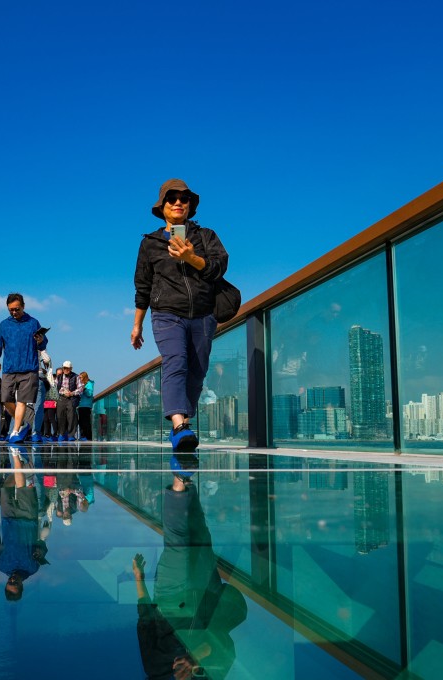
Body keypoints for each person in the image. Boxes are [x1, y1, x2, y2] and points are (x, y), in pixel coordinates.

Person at [132, 179, 229, 453]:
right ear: (162, 206)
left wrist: (192, 258)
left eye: (184, 199)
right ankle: (178, 425)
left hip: (203, 314)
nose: (178, 203)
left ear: (190, 206)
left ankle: (183, 425)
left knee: (197, 371)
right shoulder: (150, 244)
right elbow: (143, 286)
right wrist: (137, 325)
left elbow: (219, 266)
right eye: (171, 198)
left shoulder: (205, 236)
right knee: (176, 362)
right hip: (166, 314)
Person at [131, 467, 247, 679]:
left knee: (178, 544)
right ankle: (185, 480)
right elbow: (226, 647)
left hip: (170, 597)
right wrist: (197, 658)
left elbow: (145, 623)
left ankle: (179, 479)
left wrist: (139, 579)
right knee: (200, 533)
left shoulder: (155, 670)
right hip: (205, 594)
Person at [0, 448, 49, 600]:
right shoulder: (32, 568)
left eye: (10, 582)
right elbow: (42, 544)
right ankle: (15, 456)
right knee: (21, 488)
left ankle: (21, 466)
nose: (13, 580)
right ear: (21, 586)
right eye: (15, 584)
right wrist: (41, 551)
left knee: (7, 486)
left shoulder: (2, 566)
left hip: (8, 518)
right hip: (28, 518)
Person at [0, 293, 47, 444]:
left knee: (22, 401)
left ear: (23, 306)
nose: (14, 312)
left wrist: (40, 341)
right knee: (5, 400)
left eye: (17, 309)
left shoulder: (33, 323)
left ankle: (15, 431)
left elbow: (43, 344)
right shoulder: (4, 325)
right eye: (11, 310)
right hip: (9, 368)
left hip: (29, 368)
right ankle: (24, 424)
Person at [55, 361, 81, 441]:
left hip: (71, 398)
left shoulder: (76, 376)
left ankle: (71, 435)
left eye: (67, 368)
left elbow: (80, 389)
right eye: (64, 368)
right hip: (61, 398)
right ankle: (62, 434)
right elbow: (55, 388)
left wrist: (72, 393)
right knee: (60, 416)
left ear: (71, 368)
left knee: (71, 417)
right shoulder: (59, 377)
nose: (66, 370)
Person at [32, 346, 52, 443]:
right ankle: (35, 433)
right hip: (37, 375)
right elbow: (47, 359)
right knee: (38, 407)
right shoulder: (38, 345)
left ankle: (14, 431)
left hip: (22, 376)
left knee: (21, 404)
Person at [77, 371, 95, 441]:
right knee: (81, 421)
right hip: (80, 406)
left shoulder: (89, 384)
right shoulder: (81, 384)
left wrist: (84, 389)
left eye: (81, 377)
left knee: (86, 421)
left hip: (86, 406)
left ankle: (88, 436)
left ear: (84, 377)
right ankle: (82, 435)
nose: (80, 379)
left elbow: (89, 394)